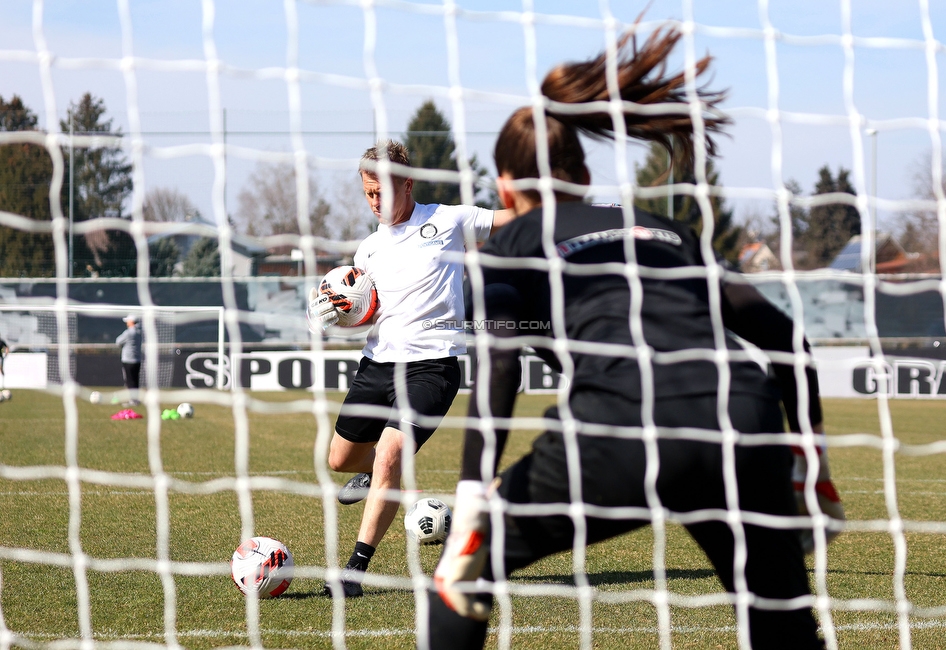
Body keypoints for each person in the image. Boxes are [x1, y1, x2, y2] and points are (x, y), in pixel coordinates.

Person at [425, 26, 844, 650]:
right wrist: (809, 460)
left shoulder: (511, 242)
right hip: (742, 420)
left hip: (621, 426)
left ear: (506, 188)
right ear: (586, 173)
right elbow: (783, 336)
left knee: (462, 581)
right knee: (782, 624)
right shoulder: (661, 230)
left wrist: (469, 506)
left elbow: (499, 368)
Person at [306, 140, 515, 598]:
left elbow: (516, 219)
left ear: (407, 183)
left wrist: (598, 216)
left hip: (432, 367)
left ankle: (354, 572)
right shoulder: (367, 252)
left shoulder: (450, 219)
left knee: (389, 454)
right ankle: (377, 477)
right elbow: (363, 310)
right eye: (368, 193)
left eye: (383, 191)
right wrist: (335, 310)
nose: (376, 201)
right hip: (377, 365)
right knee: (339, 460)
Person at [116, 314, 143, 406]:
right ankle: (135, 399)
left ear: (131, 322)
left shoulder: (128, 333)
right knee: (135, 381)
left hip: (128, 360)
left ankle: (132, 400)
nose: (127, 323)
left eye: (128, 321)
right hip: (137, 360)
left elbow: (118, 341)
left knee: (129, 380)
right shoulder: (139, 332)